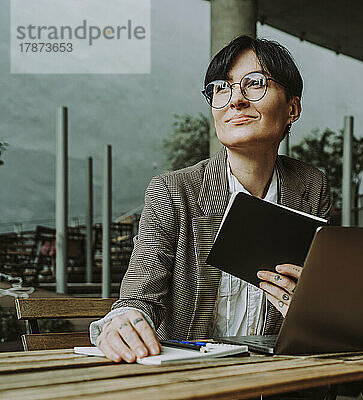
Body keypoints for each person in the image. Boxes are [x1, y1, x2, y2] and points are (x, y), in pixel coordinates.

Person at [89, 36, 331, 363]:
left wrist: (313, 304)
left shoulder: (311, 188)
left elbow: (328, 305)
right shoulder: (172, 192)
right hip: (190, 382)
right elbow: (140, 295)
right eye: (222, 88)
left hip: (275, 379)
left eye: (254, 83)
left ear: (292, 108)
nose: (236, 100)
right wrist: (124, 322)